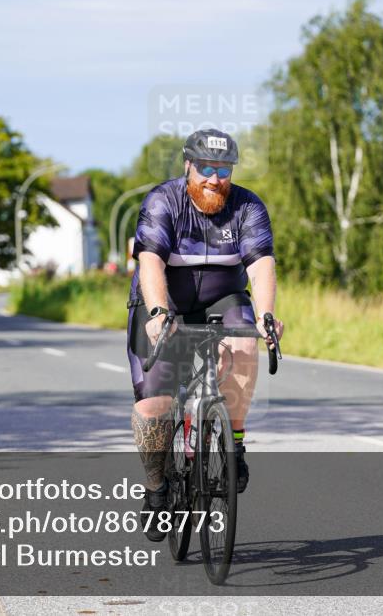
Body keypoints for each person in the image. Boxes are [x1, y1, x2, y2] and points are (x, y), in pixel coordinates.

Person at [126, 129, 284, 542]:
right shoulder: (164, 201)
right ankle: (157, 489)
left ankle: (234, 442)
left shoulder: (247, 207)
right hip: (165, 300)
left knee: (245, 340)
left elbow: (261, 264)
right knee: (154, 406)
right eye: (206, 169)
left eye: (224, 170)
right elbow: (149, 262)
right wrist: (159, 312)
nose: (215, 178)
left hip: (223, 295)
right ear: (188, 166)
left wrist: (267, 316)